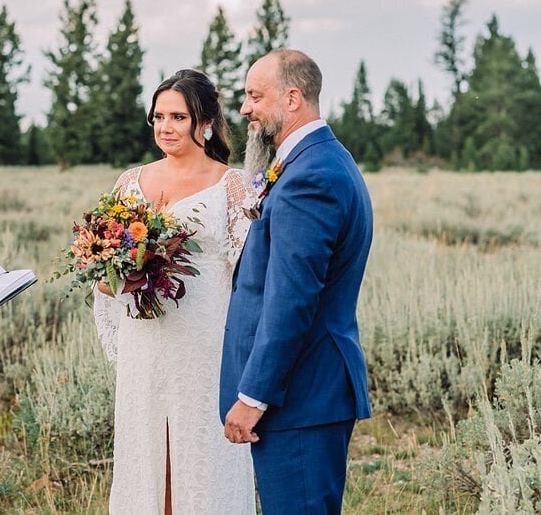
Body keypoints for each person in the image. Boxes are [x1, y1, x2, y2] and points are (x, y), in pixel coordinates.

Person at [93, 69, 256, 514]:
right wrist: (108, 272)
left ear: (204, 122)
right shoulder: (131, 182)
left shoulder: (232, 184)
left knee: (203, 451)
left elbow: (248, 274)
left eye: (178, 117)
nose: (165, 127)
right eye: (159, 116)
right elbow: (106, 266)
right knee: (146, 448)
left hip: (205, 340)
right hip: (144, 339)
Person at [220, 50, 374, 513]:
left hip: (302, 394)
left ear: (292, 98)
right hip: (308, 391)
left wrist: (253, 396)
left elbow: (291, 302)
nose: (245, 108)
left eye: (253, 96)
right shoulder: (315, 161)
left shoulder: (311, 177)